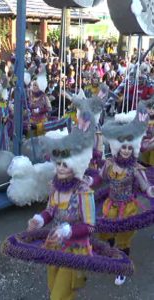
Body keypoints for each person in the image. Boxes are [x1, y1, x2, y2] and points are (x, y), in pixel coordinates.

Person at [27, 110, 96, 300]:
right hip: (54, 244)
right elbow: (50, 210)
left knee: (59, 296)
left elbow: (90, 226)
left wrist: (68, 231)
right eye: (58, 164)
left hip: (74, 250)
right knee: (53, 287)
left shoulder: (84, 192)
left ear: (76, 166)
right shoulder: (54, 186)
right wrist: (40, 219)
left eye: (65, 165)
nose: (60, 169)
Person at [100, 104, 154, 285]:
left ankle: (122, 269)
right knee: (106, 234)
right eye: (123, 147)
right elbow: (98, 179)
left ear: (132, 150)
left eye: (129, 149)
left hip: (128, 208)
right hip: (111, 204)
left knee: (124, 239)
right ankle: (110, 258)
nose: (125, 151)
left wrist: (149, 190)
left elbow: (144, 184)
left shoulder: (134, 167)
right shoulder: (108, 164)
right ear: (118, 148)